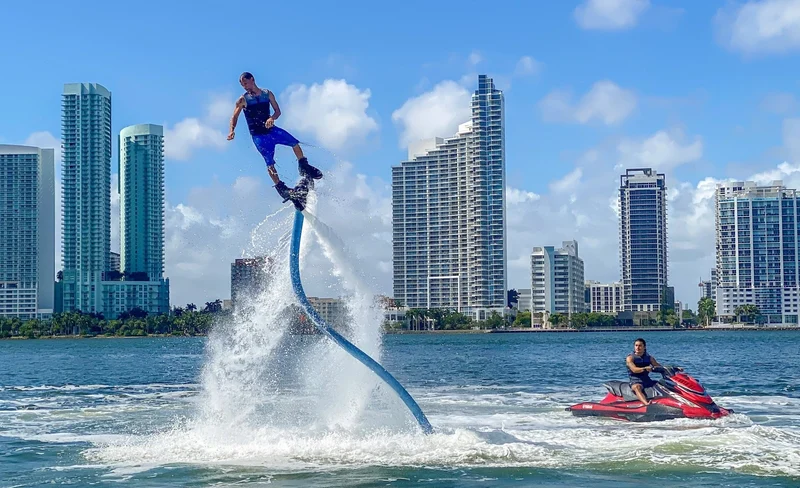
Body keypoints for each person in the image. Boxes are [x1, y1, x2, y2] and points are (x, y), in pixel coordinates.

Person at [227, 72, 322, 204]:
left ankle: (304, 167)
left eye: (246, 83)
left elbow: (278, 111)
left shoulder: (267, 94)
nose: (244, 87)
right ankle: (282, 189)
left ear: (252, 79)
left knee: (295, 143)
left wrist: (272, 118)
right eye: (242, 85)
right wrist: (232, 130)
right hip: (259, 137)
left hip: (272, 131)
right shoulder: (243, 100)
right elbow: (234, 116)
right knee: (270, 164)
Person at [625, 337, 661, 405]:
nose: (637, 347)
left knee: (662, 384)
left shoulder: (649, 358)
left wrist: (674, 369)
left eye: (640, 346)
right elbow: (634, 369)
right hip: (635, 381)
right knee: (637, 387)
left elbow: (659, 366)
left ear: (644, 347)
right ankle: (646, 403)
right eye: (636, 345)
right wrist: (644, 368)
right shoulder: (630, 358)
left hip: (647, 380)